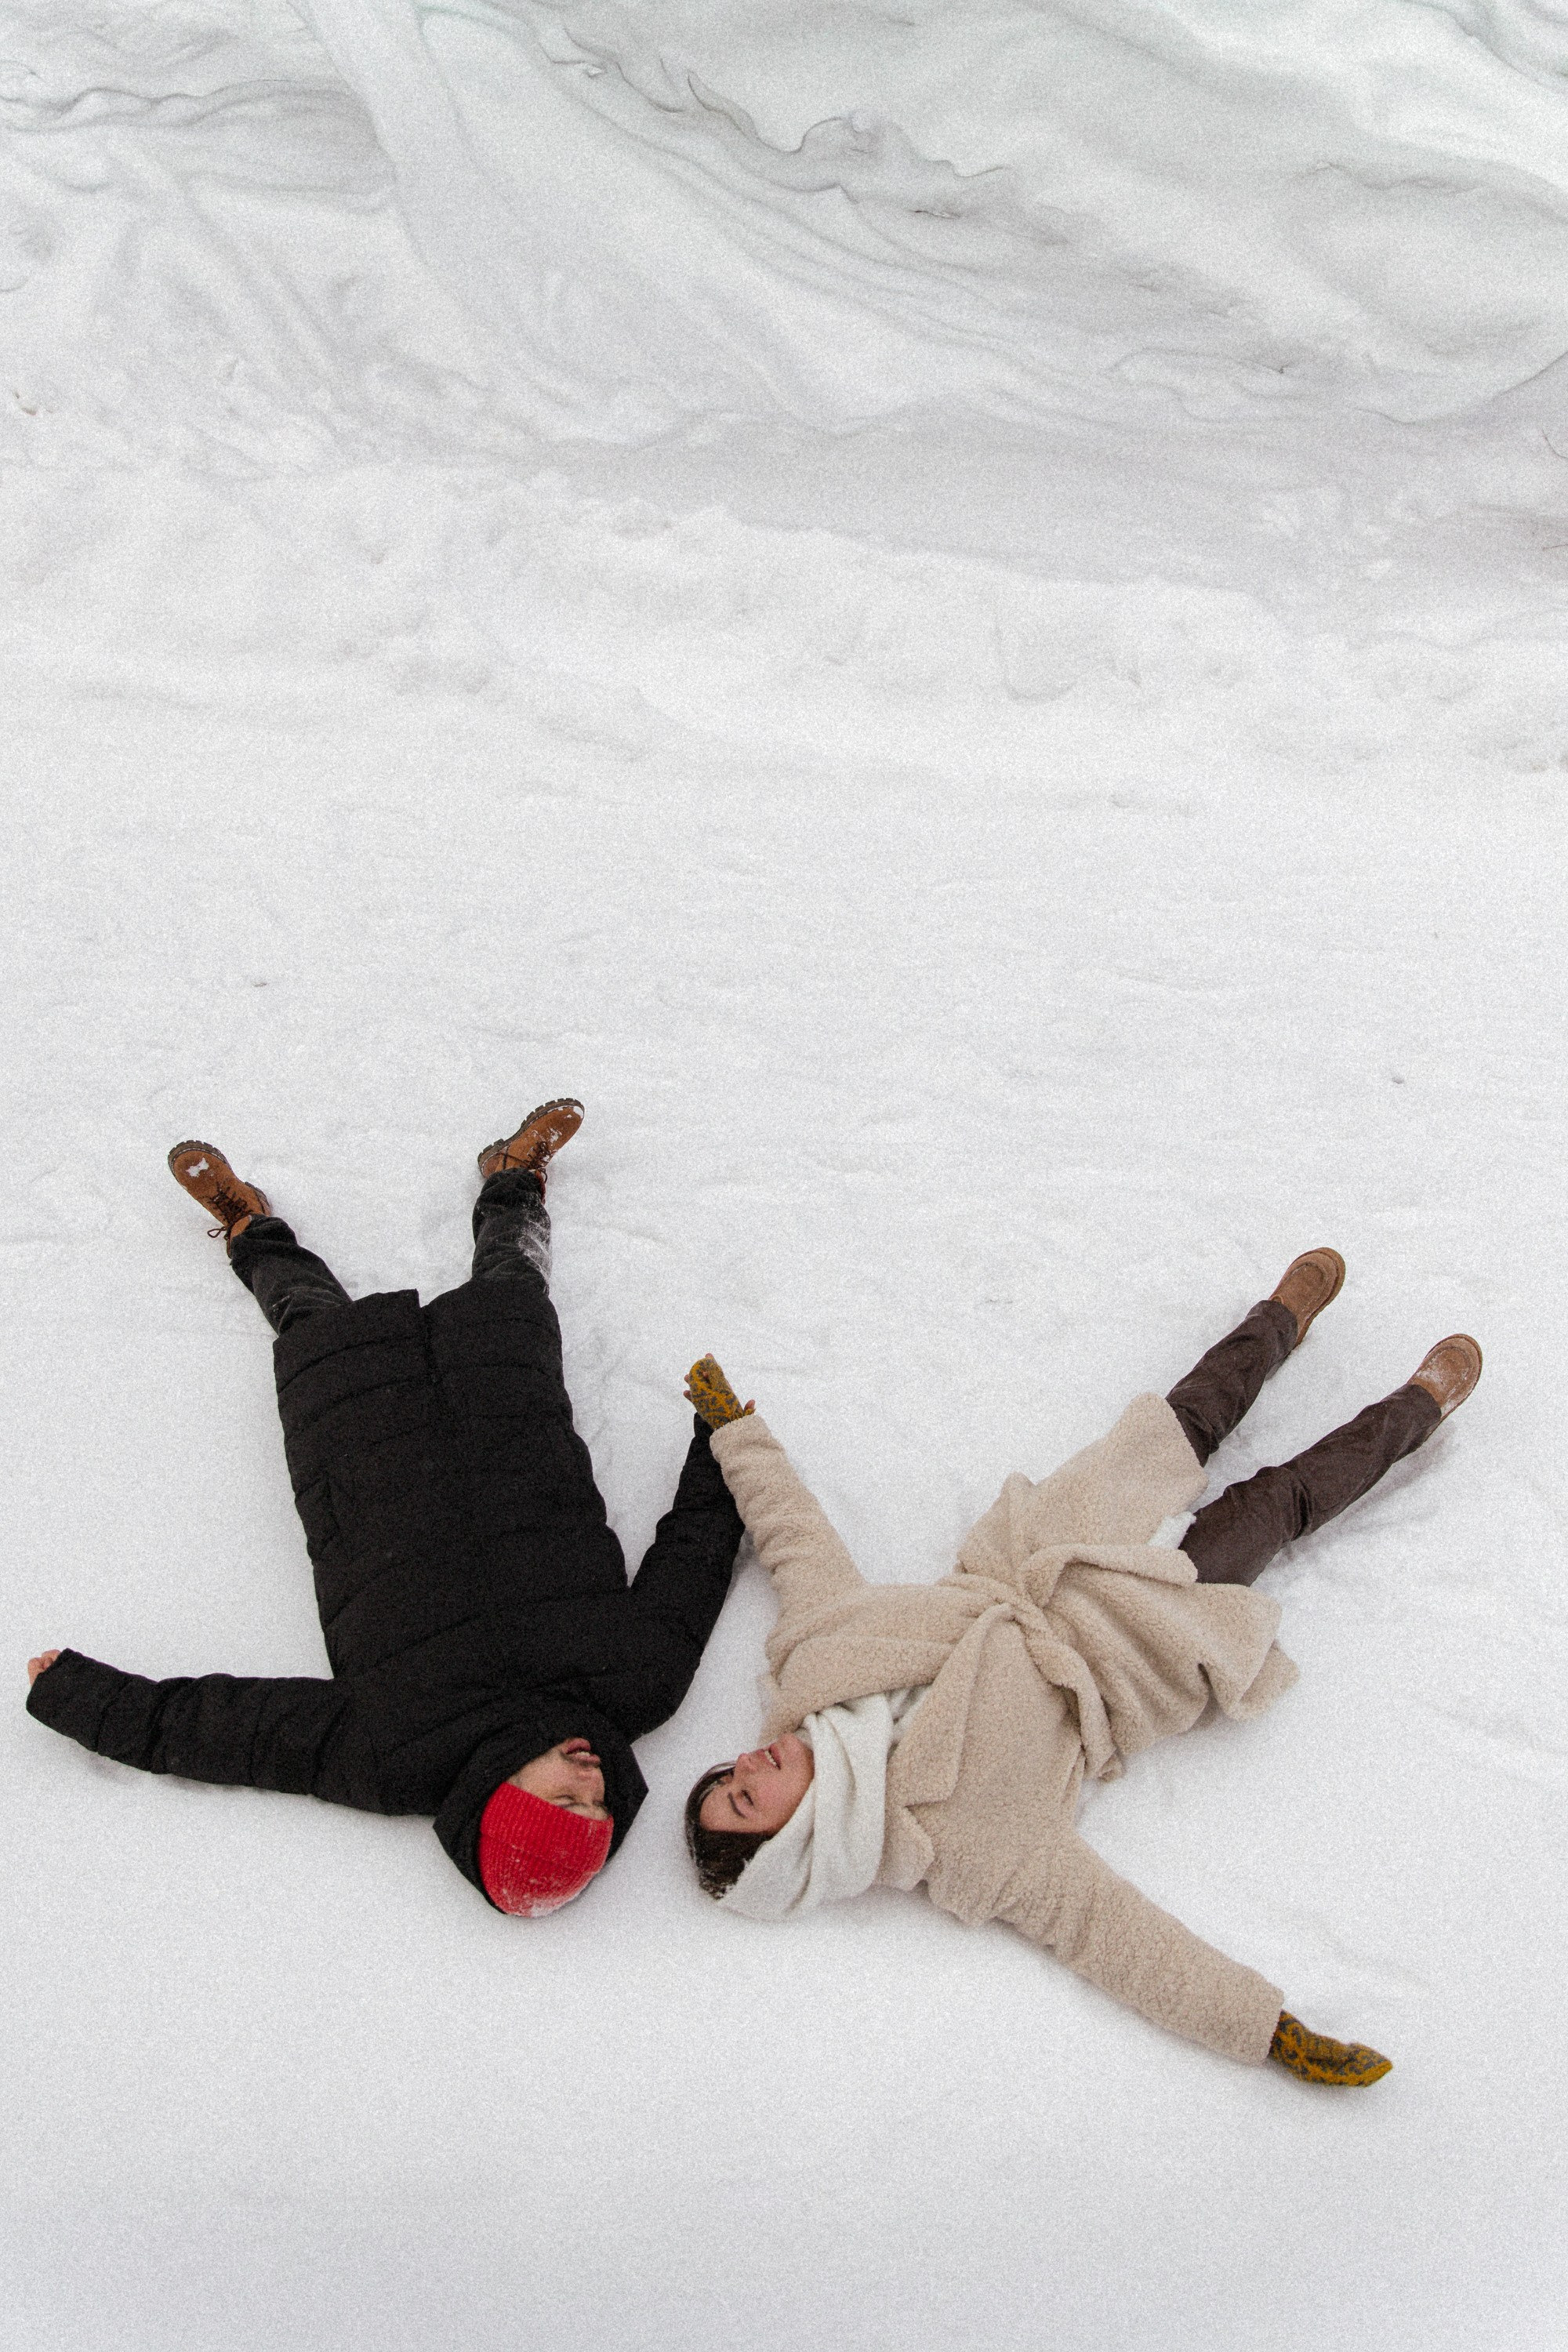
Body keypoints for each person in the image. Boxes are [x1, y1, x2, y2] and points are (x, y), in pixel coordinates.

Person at [681, 1252, 1483, 2083]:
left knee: (1181, 1421)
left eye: (724, 1775)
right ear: (797, 1844)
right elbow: (1116, 1939)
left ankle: (1277, 1320)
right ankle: (1418, 1406)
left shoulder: (814, 1665)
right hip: (1134, 1641)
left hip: (1043, 1551)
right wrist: (1264, 2028)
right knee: (1272, 1507)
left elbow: (794, 1539)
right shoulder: (962, 1850)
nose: (745, 1763)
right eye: (745, 1800)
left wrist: (736, 1433)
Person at [26, 1101, 745, 1917]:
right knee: (509, 1289)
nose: (590, 1780)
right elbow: (696, 1554)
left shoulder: (394, 1757)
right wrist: (726, 1442)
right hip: (514, 1432)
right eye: (600, 1806)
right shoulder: (637, 1686)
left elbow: (231, 1735)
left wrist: (86, 1700)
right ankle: (512, 1184)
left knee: (314, 1322)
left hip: (368, 1468)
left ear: (499, 1803)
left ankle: (250, 1231)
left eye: (564, 1800)